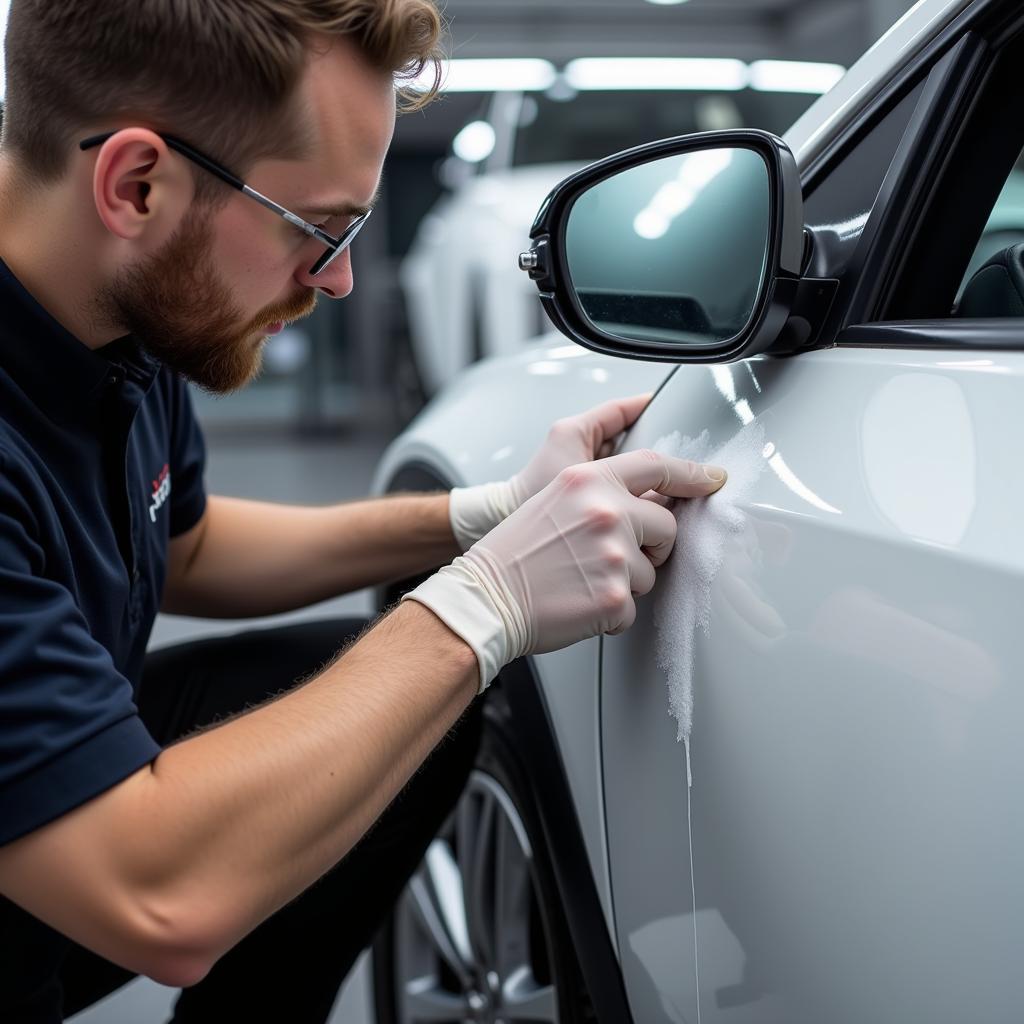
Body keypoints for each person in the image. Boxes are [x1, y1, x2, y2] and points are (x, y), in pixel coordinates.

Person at [0, 1, 728, 1021]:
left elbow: (191, 545)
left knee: (401, 713)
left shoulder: (108, 309)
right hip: (73, 888)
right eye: (318, 229)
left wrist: (487, 516)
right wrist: (486, 605)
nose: (338, 279)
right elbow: (152, 894)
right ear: (137, 184)